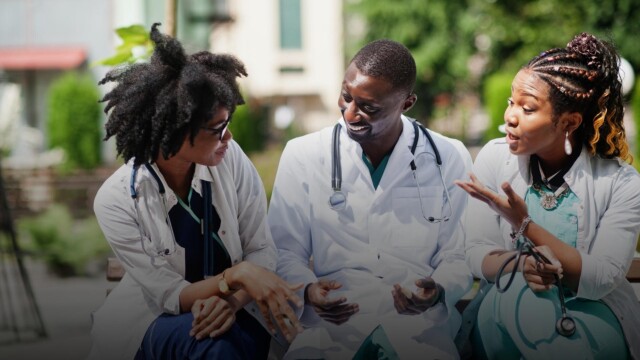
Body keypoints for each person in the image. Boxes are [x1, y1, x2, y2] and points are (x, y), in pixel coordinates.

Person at [88, 24, 303, 360]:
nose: (229, 137)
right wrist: (237, 275)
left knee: (228, 345)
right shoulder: (117, 200)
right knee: (216, 348)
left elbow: (262, 250)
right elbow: (170, 295)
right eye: (217, 129)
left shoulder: (231, 159)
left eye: (228, 121)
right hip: (158, 321)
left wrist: (230, 298)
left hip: (239, 311)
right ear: (173, 134)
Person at [268, 39, 473, 359]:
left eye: (369, 107)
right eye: (346, 96)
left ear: (407, 103)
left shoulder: (448, 156)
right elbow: (283, 250)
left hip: (417, 327)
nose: (350, 113)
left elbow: (459, 253)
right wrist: (308, 291)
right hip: (332, 325)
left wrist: (437, 292)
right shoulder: (303, 154)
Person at [456, 33, 640, 359]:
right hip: (506, 311)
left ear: (568, 122)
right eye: (511, 103)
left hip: (591, 318)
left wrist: (523, 223)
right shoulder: (495, 158)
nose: (510, 116)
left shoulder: (622, 182)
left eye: (527, 108)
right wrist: (523, 263)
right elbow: (475, 252)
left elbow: (602, 278)